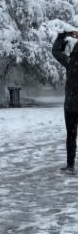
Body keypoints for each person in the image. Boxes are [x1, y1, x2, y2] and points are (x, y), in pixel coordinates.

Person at [52, 29, 78, 173]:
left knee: (71, 136)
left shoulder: (70, 63)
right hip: (72, 103)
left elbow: (56, 50)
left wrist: (64, 35)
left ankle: (70, 166)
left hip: (71, 105)